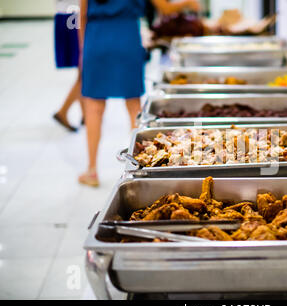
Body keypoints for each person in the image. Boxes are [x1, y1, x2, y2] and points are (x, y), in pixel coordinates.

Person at [78, 0, 200, 187]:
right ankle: (138, 165)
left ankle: (92, 170)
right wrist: (189, 3)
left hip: (96, 38)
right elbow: (165, 7)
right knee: (134, 105)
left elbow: (83, 14)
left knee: (94, 107)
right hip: (127, 37)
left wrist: (83, 51)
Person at [53, 0, 85, 132]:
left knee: (83, 71)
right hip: (74, 17)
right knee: (85, 73)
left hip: (68, 15)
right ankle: (63, 111)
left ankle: (85, 113)